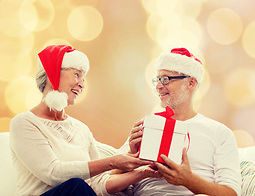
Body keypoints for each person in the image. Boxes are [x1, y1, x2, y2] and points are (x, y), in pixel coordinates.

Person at [9, 45, 160, 196]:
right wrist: (112, 161)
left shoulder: (81, 129)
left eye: (83, 78)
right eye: (77, 74)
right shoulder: (24, 123)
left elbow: (97, 184)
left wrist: (144, 172)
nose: (82, 84)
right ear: (52, 73)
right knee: (76, 185)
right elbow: (53, 173)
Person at [123, 47, 242, 196]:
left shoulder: (219, 133)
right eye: (157, 80)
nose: (159, 86)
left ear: (190, 83)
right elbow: (106, 179)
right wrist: (130, 154)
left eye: (165, 79)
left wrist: (189, 180)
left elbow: (232, 193)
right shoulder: (146, 126)